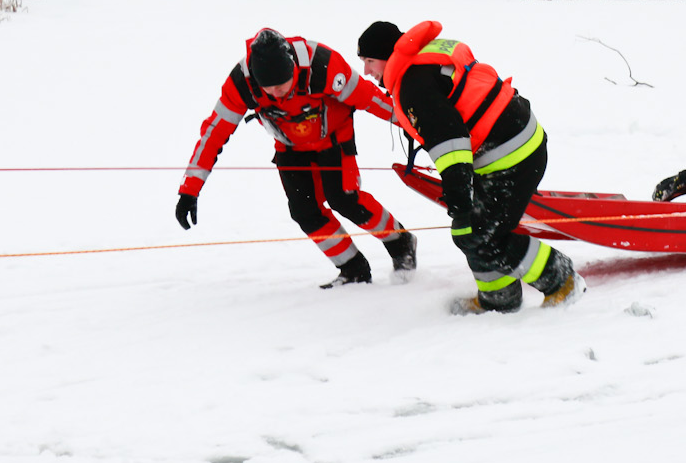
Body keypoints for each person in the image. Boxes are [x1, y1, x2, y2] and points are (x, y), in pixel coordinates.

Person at [356, 19, 584, 314]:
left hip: (513, 154)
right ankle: (499, 299)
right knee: (472, 232)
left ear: (387, 55)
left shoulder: (414, 83)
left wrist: (460, 201)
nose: (366, 71)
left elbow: (451, 144)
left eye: (370, 61)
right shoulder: (421, 60)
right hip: (514, 141)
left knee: (479, 234)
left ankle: (562, 280)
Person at [176, 28, 416, 287]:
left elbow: (369, 98)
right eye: (268, 88)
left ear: (293, 69)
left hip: (334, 138)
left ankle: (400, 242)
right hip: (289, 146)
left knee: (344, 199)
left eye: (281, 85)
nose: (276, 92)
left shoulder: (322, 65)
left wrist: (412, 123)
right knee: (305, 212)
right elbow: (213, 134)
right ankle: (353, 268)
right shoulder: (241, 83)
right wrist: (190, 191)